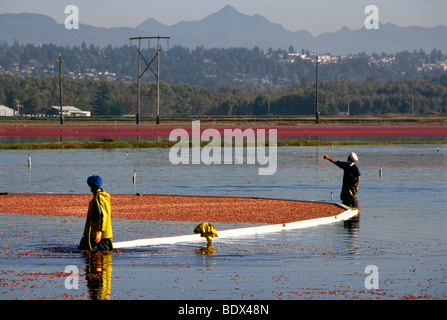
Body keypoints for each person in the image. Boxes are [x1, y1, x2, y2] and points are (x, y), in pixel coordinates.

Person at [79, 175, 113, 251]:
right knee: (83, 249)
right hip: (95, 232)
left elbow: (102, 215)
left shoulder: (99, 198)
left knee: (105, 256)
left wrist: (99, 232)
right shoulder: (103, 196)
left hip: (99, 234)